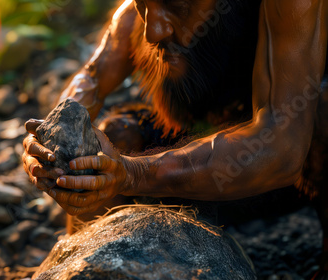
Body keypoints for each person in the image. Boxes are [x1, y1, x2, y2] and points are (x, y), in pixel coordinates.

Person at [22, 0, 328, 277]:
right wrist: (53, 140)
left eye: (176, 4)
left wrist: (133, 172)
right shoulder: (138, 14)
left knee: (323, 109)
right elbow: (90, 78)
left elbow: (281, 146)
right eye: (144, 4)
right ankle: (84, 264)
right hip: (208, 175)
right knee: (107, 145)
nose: (153, 30)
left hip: (291, 171)